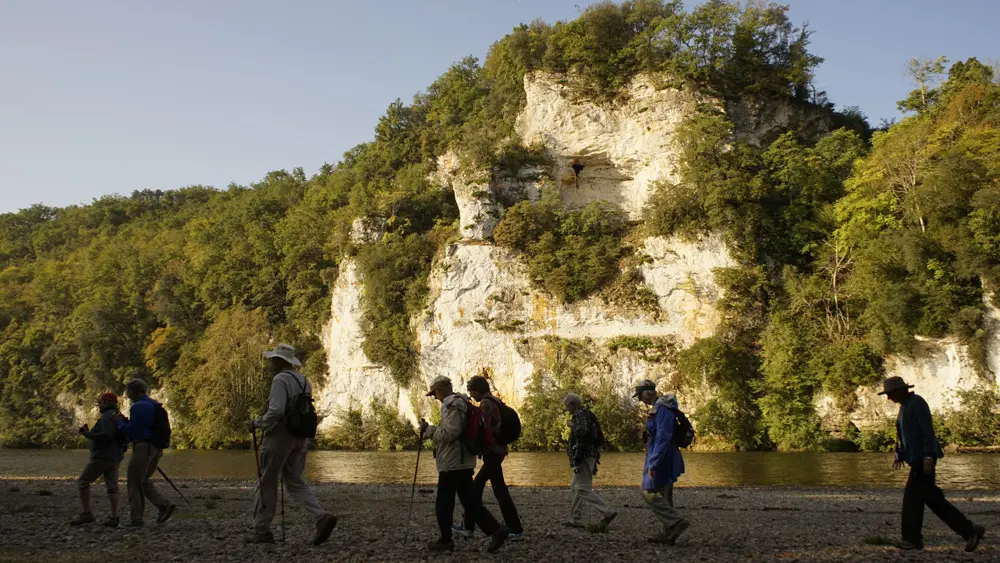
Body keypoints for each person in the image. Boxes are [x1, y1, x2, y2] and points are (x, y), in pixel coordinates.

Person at [245, 343, 338, 545]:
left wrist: (257, 423)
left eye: (272, 360)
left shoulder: (280, 380)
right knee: (294, 480)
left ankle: (261, 530)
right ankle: (320, 516)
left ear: (279, 361)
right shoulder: (304, 380)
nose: (270, 363)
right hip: (300, 437)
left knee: (266, 481)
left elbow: (277, 410)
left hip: (279, 436)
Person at [880, 376, 986, 552]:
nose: (888, 398)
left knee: (912, 499)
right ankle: (970, 531)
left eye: (890, 393)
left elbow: (927, 431)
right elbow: (907, 436)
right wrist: (900, 453)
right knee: (934, 501)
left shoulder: (917, 402)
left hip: (923, 460)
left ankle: (912, 540)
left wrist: (929, 456)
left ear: (900, 390)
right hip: (916, 459)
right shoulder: (905, 407)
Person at [418, 376, 508, 553]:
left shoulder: (452, 404)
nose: (435, 398)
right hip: (464, 461)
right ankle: (496, 531)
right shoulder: (463, 403)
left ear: (440, 390)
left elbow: (450, 433)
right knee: (470, 501)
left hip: (453, 463)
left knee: (444, 502)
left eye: (434, 394)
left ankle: (445, 540)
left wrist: (428, 430)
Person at [454, 375, 523, 541]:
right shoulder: (495, 400)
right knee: (478, 486)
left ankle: (514, 527)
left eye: (471, 391)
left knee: (498, 489)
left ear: (478, 390)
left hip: (492, 452)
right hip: (498, 451)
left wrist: (477, 444)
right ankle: (468, 525)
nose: (471, 395)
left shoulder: (485, 403)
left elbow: (488, 428)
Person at [634, 379, 690, 544]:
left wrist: (654, 462)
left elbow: (663, 437)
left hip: (663, 456)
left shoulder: (663, 409)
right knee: (665, 494)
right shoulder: (659, 408)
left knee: (648, 492)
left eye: (640, 395)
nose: (640, 399)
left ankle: (676, 522)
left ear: (649, 392)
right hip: (663, 454)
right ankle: (670, 533)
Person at [117, 378, 176, 527]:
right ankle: (163, 505)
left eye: (128, 392)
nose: (127, 395)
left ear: (132, 391)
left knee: (134, 482)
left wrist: (119, 423)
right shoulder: (153, 404)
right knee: (143, 480)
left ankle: (136, 519)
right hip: (156, 448)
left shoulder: (139, 407)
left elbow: (134, 431)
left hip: (144, 447)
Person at [71, 392, 126, 527]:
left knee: (83, 482)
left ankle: (86, 513)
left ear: (106, 403)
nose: (99, 406)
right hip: (115, 456)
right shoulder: (117, 416)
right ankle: (114, 517)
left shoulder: (107, 417)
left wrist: (89, 435)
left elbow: (107, 435)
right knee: (112, 487)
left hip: (102, 456)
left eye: (100, 403)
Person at [562, 393, 616, 529]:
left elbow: (584, 431)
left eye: (567, 406)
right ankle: (575, 519)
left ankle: (607, 511)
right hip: (586, 455)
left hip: (584, 455)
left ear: (573, 404)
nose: (566, 409)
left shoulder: (580, 415)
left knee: (581, 488)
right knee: (575, 486)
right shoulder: (585, 414)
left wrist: (571, 426)